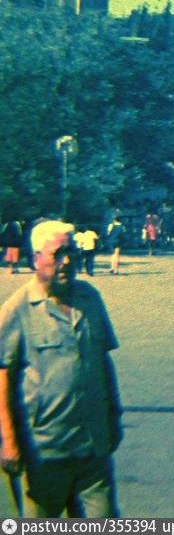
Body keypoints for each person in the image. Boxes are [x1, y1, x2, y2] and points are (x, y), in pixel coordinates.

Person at [0, 220, 123, 517]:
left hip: (93, 448)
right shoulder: (17, 309)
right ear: (35, 259)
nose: (67, 261)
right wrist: (8, 441)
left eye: (71, 252)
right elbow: (3, 374)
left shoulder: (90, 298)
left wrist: (114, 414)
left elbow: (103, 361)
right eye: (57, 254)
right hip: (45, 452)